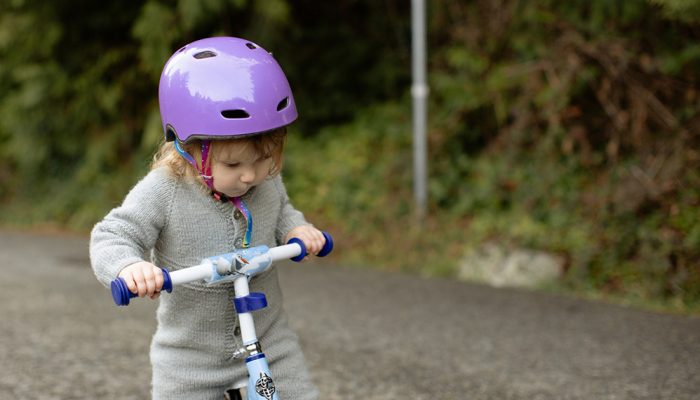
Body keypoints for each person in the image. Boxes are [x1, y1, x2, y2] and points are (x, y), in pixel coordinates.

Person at [90, 36, 324, 399]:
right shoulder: (164, 190)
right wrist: (127, 267)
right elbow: (113, 234)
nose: (251, 176)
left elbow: (282, 211)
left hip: (271, 344)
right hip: (190, 361)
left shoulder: (266, 182)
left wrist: (297, 228)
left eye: (264, 158)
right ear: (188, 149)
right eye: (233, 164)